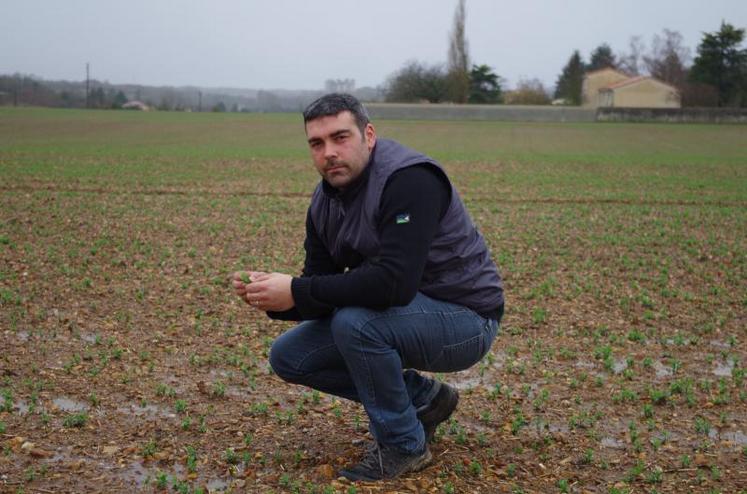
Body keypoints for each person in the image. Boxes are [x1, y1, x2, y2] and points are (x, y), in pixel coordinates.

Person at [232, 93, 504, 481]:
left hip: (466, 318)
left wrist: (297, 289)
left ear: (369, 135)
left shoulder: (411, 180)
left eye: (340, 137)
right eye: (317, 143)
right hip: (403, 314)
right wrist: (274, 297)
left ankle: (404, 445)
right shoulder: (324, 202)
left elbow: (393, 284)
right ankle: (423, 399)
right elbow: (320, 286)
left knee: (357, 324)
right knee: (289, 355)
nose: (329, 152)